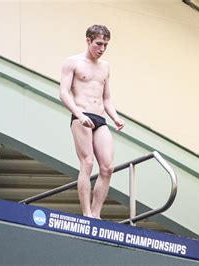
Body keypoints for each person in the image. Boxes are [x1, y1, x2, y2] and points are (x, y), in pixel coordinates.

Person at [59, 25, 125, 219]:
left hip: (100, 117)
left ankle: (96, 214)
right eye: (98, 44)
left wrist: (115, 117)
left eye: (105, 45)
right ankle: (87, 213)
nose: (102, 48)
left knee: (107, 167)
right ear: (88, 41)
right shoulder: (73, 62)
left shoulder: (105, 67)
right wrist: (79, 114)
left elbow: (107, 99)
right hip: (81, 115)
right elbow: (63, 93)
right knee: (87, 163)